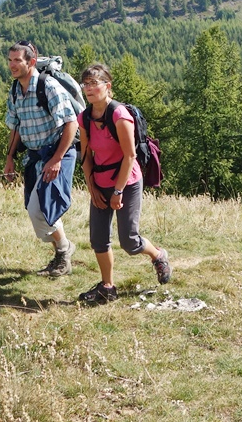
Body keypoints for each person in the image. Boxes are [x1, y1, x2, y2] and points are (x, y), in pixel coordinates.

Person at [75, 63, 172, 304]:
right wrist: (92, 188)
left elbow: (130, 156)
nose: (88, 88)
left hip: (126, 182)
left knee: (129, 240)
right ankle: (107, 286)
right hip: (99, 181)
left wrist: (118, 190)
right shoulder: (84, 117)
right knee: (98, 239)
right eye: (85, 84)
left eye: (94, 83)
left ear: (107, 87)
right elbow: (85, 155)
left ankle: (158, 255)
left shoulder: (119, 115)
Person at [2, 41, 79, 277]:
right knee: (36, 208)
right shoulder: (16, 90)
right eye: (10, 60)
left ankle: (64, 251)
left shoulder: (48, 86)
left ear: (31, 62)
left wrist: (56, 159)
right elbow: (15, 127)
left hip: (58, 153)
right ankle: (62, 254)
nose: (12, 65)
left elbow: (71, 123)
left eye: (18, 60)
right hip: (35, 157)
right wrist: (10, 158)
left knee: (40, 210)